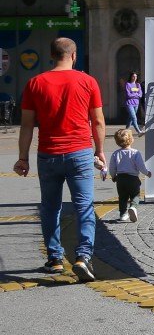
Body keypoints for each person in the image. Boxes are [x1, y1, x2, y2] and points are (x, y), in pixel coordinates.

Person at [14, 37, 105, 282]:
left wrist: (23, 158)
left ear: (52, 56)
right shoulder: (88, 81)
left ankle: (54, 259)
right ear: (74, 56)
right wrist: (100, 150)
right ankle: (83, 257)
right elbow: (97, 121)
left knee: (50, 208)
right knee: (84, 207)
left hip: (48, 154)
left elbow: (27, 125)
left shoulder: (35, 83)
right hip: (80, 153)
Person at [102, 128, 151, 223]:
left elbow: (112, 168)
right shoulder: (135, 153)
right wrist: (147, 173)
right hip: (133, 178)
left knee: (122, 197)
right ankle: (133, 207)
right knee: (135, 195)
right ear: (131, 139)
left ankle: (123, 214)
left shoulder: (115, 154)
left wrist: (113, 176)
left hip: (120, 179)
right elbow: (141, 166)